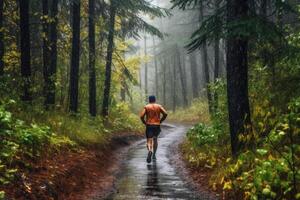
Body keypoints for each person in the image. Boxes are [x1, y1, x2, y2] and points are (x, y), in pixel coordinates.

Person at [140, 95, 168, 163]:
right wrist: (160, 120)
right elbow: (165, 113)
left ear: (149, 100)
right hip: (157, 125)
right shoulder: (159, 106)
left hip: (149, 125)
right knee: (155, 139)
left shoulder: (146, 107)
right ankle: (154, 155)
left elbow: (141, 116)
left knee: (149, 140)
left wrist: (144, 122)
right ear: (155, 100)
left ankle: (150, 151)